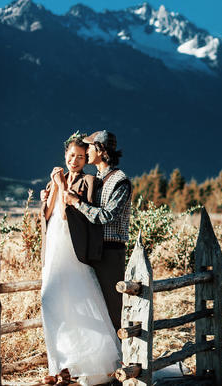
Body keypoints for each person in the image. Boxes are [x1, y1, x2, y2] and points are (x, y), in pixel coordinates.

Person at [40, 134, 121, 385]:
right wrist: (52, 190)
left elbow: (69, 216)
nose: (75, 160)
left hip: (72, 248)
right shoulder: (56, 179)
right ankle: (58, 365)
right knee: (51, 302)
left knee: (75, 301)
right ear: (64, 155)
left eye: (81, 156)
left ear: (87, 159)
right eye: (71, 155)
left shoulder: (89, 181)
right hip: (54, 246)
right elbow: (48, 214)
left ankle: (75, 367)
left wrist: (62, 186)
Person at [63, 130, 131, 332]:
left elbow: (106, 216)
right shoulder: (95, 179)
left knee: (113, 307)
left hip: (110, 251)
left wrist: (77, 203)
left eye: (90, 147)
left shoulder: (120, 181)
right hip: (93, 250)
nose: (87, 150)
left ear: (100, 150)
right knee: (94, 307)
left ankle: (121, 355)